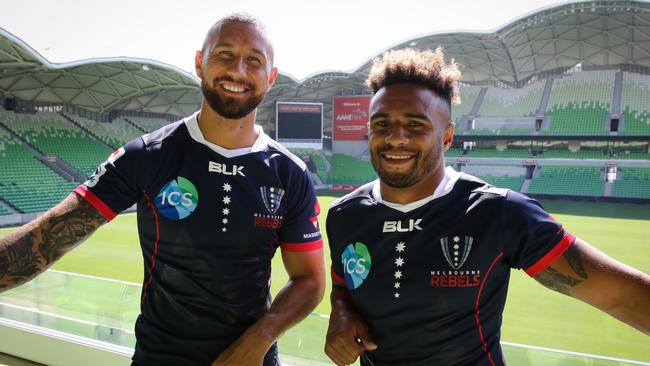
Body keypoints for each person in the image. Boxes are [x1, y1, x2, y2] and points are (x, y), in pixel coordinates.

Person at [0, 13, 326, 366]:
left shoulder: (289, 174)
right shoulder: (147, 156)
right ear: (200, 62)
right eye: (224, 54)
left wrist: (258, 340)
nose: (239, 70)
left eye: (255, 60)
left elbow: (309, 280)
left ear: (271, 77)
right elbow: (45, 239)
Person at [324, 47, 650, 366]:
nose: (396, 137)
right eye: (382, 123)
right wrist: (340, 311)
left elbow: (620, 295)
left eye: (415, 124)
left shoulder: (499, 213)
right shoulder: (344, 216)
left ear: (447, 137)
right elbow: (343, 283)